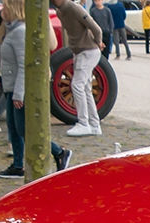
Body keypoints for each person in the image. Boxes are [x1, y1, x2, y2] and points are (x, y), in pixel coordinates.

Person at [0, 0, 73, 179]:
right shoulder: (12, 29)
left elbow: (24, 64)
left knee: (23, 127)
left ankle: (58, 151)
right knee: (14, 127)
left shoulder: (20, 31)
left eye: (5, 8)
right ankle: (17, 164)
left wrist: (18, 93)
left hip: (18, 86)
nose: (2, 11)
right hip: (11, 84)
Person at [51, 0, 104, 135]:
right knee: (85, 87)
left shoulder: (73, 8)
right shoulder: (61, 11)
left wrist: (98, 42)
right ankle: (94, 124)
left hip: (87, 51)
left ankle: (83, 123)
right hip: (80, 52)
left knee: (77, 85)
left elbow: (96, 28)